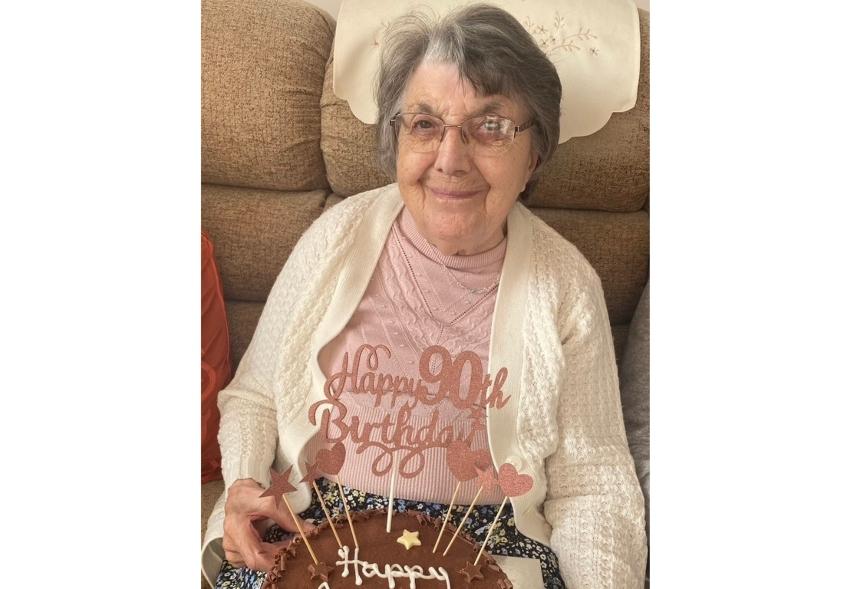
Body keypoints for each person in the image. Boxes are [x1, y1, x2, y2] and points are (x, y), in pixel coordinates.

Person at [202, 4, 647, 588]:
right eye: (425, 124)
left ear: (534, 153)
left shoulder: (567, 287)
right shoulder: (335, 238)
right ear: (396, 141)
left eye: (491, 127)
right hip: (313, 532)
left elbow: (594, 483)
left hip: (488, 548)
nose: (450, 159)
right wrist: (243, 485)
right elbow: (256, 396)